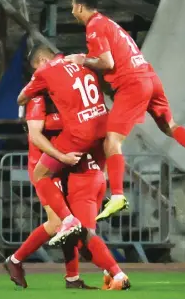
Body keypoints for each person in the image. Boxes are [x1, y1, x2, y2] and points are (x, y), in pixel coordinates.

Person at [65, 0, 185, 222]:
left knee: (112, 141)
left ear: (79, 6)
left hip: (132, 84)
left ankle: (117, 195)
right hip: (149, 77)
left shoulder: (94, 27)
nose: (72, 13)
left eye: (72, 8)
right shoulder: (109, 24)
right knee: (169, 125)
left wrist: (81, 59)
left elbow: (107, 62)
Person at [5, 94, 130, 290]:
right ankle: (15, 259)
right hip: (46, 168)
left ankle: (73, 278)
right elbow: (35, 135)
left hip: (63, 168)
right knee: (61, 223)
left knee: (70, 228)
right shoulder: (39, 101)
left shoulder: (68, 104)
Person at [17, 47, 108, 244]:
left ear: (42, 60)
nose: (35, 75)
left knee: (62, 219)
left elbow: (21, 98)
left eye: (35, 70)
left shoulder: (46, 73)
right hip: (101, 126)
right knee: (79, 224)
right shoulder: (79, 62)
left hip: (77, 138)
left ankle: (16, 259)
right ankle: (101, 272)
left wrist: (62, 156)